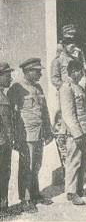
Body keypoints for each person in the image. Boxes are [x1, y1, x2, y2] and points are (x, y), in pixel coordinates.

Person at [8, 58, 53, 213]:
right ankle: (25, 199)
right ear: (27, 71)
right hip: (26, 134)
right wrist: (15, 137)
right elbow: (13, 115)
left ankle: (35, 194)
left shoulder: (38, 87)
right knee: (26, 167)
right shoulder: (16, 89)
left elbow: (44, 111)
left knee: (36, 165)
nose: (40, 73)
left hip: (39, 133)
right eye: (37, 71)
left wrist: (48, 130)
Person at [59, 60, 86, 205]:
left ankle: (79, 189)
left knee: (82, 161)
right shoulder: (67, 87)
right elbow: (68, 114)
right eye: (80, 71)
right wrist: (76, 133)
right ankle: (71, 193)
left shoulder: (78, 87)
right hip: (74, 132)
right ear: (72, 71)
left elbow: (83, 110)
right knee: (73, 161)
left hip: (82, 130)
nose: (82, 73)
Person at [0, 62, 14, 214]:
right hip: (2, 143)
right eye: (7, 76)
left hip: (4, 143)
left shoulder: (3, 94)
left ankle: (3, 207)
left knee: (4, 174)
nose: (10, 79)